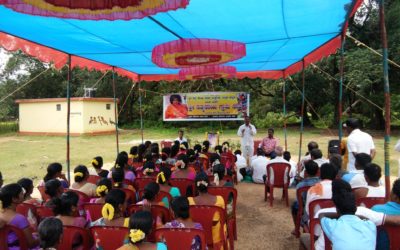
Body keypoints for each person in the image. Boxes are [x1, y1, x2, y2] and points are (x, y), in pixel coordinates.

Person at [320, 179, 376, 250]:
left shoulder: (333, 225)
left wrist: (341, 214)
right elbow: (367, 219)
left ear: (337, 209)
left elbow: (322, 215)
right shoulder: (370, 225)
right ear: (355, 208)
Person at [188, 172, 226, 250]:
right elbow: (223, 219)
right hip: (215, 240)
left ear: (196, 186)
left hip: (196, 239)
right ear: (208, 184)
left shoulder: (189, 201)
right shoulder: (220, 200)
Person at [0, 183, 39, 249]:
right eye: (21, 193)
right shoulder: (20, 219)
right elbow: (31, 243)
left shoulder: (1, 214)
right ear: (14, 199)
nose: (23, 194)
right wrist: (43, 238)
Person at [291, 160, 320, 232]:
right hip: (319, 208)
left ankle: (296, 229)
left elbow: (299, 202)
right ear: (318, 172)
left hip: (306, 210)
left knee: (294, 205)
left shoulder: (300, 185)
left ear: (305, 172)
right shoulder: (322, 183)